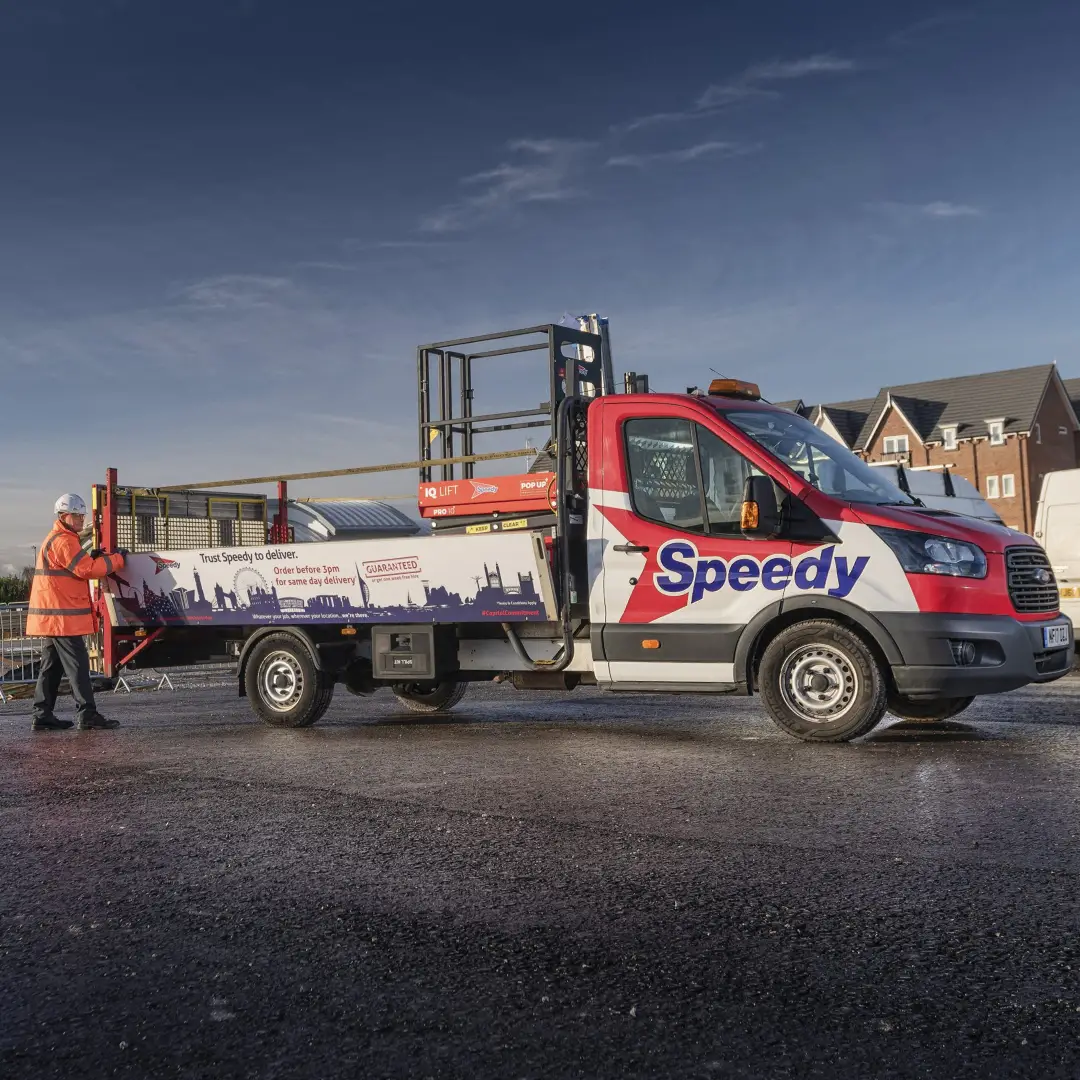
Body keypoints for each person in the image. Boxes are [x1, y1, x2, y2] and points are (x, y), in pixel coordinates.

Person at [27, 494, 127, 732]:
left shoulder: (60, 539)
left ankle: (42, 715)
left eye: (83, 515)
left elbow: (76, 567)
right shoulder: (64, 540)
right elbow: (86, 569)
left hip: (55, 617)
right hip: (62, 618)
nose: (82, 520)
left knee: (51, 667)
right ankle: (87, 713)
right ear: (64, 516)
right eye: (77, 515)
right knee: (78, 666)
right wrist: (118, 560)